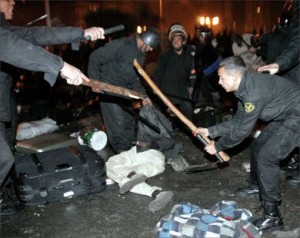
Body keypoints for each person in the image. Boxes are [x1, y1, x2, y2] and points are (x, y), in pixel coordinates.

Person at [0, 0, 105, 217]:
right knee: (3, 158)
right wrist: (60, 66)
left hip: (2, 103)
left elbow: (35, 35)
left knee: (7, 150)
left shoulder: (4, 26)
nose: (13, 2)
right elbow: (8, 45)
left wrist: (79, 33)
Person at [193, 56, 300, 233]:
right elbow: (237, 121)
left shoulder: (252, 92)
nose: (219, 82)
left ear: (235, 77)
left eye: (222, 78)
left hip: (297, 116)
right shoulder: (243, 88)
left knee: (267, 157)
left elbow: (242, 131)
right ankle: (257, 184)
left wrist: (218, 146)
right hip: (286, 115)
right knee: (258, 146)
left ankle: (272, 217)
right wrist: (210, 131)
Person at [87, 27, 160, 154]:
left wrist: (144, 96)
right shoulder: (122, 45)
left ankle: (128, 148)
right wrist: (94, 81)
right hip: (108, 87)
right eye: (150, 47)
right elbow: (95, 57)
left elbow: (135, 79)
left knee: (129, 119)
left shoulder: (141, 56)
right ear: (145, 40)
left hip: (123, 90)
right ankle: (120, 151)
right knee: (118, 122)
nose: (151, 50)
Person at [106, 146, 173, 212]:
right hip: (155, 164)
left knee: (113, 167)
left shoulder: (110, 164)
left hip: (154, 155)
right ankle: (158, 194)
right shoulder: (115, 172)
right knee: (123, 181)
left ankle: (154, 191)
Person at [153, 23, 193, 120]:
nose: (176, 41)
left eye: (178, 39)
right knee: (166, 114)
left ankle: (190, 133)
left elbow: (192, 73)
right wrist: (156, 88)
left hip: (182, 90)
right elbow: (158, 73)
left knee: (188, 109)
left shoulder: (189, 57)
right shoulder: (165, 56)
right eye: (174, 39)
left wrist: (191, 86)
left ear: (183, 41)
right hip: (167, 91)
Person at [192, 25, 223, 109]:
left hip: (212, 77)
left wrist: (202, 72)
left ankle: (211, 104)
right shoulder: (202, 46)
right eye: (199, 35)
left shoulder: (209, 48)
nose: (199, 38)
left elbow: (215, 62)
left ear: (206, 36)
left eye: (201, 36)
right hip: (206, 74)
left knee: (202, 84)